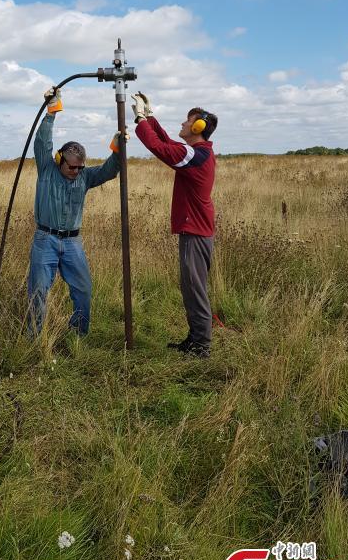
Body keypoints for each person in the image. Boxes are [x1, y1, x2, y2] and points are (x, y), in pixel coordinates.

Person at [28, 87, 122, 336]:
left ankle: (78, 334)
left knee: (83, 289)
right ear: (60, 160)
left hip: (72, 242)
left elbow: (109, 171)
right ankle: (34, 338)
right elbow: (42, 142)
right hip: (45, 239)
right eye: (72, 167)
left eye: (80, 167)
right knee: (38, 291)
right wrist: (52, 111)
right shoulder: (47, 169)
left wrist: (117, 150)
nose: (77, 171)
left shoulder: (85, 176)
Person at [132, 92, 217, 358]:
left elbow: (160, 148)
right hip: (196, 231)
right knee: (191, 288)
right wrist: (150, 117)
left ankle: (201, 346)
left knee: (195, 290)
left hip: (196, 233)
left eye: (187, 121)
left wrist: (139, 119)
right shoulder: (197, 153)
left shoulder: (196, 156)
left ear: (198, 127)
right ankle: (195, 339)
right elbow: (168, 143)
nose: (182, 123)